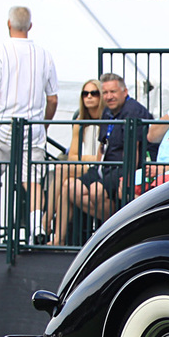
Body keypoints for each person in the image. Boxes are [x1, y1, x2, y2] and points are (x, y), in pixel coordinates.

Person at [0, 6, 59, 244]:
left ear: (8, 24)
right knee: (32, 181)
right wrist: (44, 125)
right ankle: (35, 230)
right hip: (32, 127)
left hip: (0, 125)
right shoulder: (44, 54)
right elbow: (52, 98)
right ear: (30, 26)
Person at [64, 73, 152, 224]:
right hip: (105, 166)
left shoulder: (132, 110)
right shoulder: (107, 111)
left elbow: (134, 151)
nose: (109, 96)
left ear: (124, 92)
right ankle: (113, 225)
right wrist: (97, 167)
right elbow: (102, 145)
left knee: (95, 191)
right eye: (105, 92)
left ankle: (117, 228)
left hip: (126, 168)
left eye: (113, 92)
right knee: (73, 188)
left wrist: (128, 177)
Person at [46, 79, 104, 246]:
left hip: (100, 169)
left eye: (94, 93)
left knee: (61, 172)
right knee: (66, 181)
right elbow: (72, 156)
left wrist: (86, 158)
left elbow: (100, 158)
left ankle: (46, 219)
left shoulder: (107, 120)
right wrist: (86, 159)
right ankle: (59, 239)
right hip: (83, 169)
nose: (89, 97)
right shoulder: (80, 122)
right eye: (85, 93)